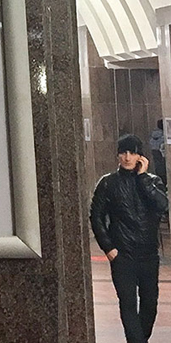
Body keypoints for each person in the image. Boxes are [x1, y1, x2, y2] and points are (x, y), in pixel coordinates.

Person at [90, 133, 169, 342]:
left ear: (140, 156)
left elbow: (162, 205)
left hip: (148, 255)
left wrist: (143, 178)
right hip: (122, 255)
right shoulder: (108, 183)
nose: (127, 157)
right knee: (128, 304)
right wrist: (109, 248)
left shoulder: (153, 181)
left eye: (132, 153)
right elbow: (96, 216)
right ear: (117, 155)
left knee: (150, 305)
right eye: (123, 152)